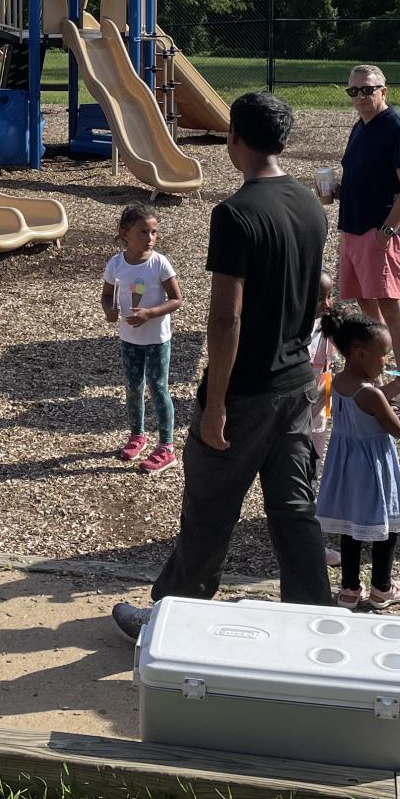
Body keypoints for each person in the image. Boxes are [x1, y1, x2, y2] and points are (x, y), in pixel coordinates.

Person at [112, 92, 331, 642]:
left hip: (246, 390)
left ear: (235, 138)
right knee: (294, 511)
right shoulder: (308, 203)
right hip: (298, 382)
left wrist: (214, 406)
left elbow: (225, 319)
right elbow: (320, 290)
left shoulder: (235, 214)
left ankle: (169, 620)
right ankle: (317, 622)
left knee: (209, 510)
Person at [315, 305, 400, 608]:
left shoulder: (337, 381)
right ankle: (382, 588)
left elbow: (364, 404)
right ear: (361, 354)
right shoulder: (371, 394)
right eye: (384, 354)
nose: (387, 361)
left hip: (346, 465)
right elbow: (399, 428)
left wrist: (394, 387)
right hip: (373, 467)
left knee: (351, 528)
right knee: (384, 527)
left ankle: (349, 590)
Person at [330, 65, 400, 374]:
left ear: (383, 91)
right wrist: (336, 191)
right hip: (353, 229)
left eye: (368, 89)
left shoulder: (398, 129)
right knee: (366, 306)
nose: (360, 96)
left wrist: (386, 231)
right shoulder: (360, 126)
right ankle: (377, 374)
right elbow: (367, 180)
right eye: (354, 91)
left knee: (390, 305)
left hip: (378, 233)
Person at [101, 204, 185, 473]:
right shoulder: (116, 264)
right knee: (133, 387)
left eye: (154, 232)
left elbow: (176, 300)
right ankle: (137, 434)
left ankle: (166, 447)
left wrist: (150, 313)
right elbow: (106, 296)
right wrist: (109, 311)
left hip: (157, 339)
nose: (150, 238)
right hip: (129, 338)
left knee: (158, 387)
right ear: (125, 233)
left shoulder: (159, 263)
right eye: (144, 232)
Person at [307, 265, 336, 460]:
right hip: (297, 397)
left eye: (330, 296)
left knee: (319, 432)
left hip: (323, 390)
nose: (326, 304)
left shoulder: (330, 325)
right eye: (319, 299)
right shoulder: (293, 329)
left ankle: (313, 476)